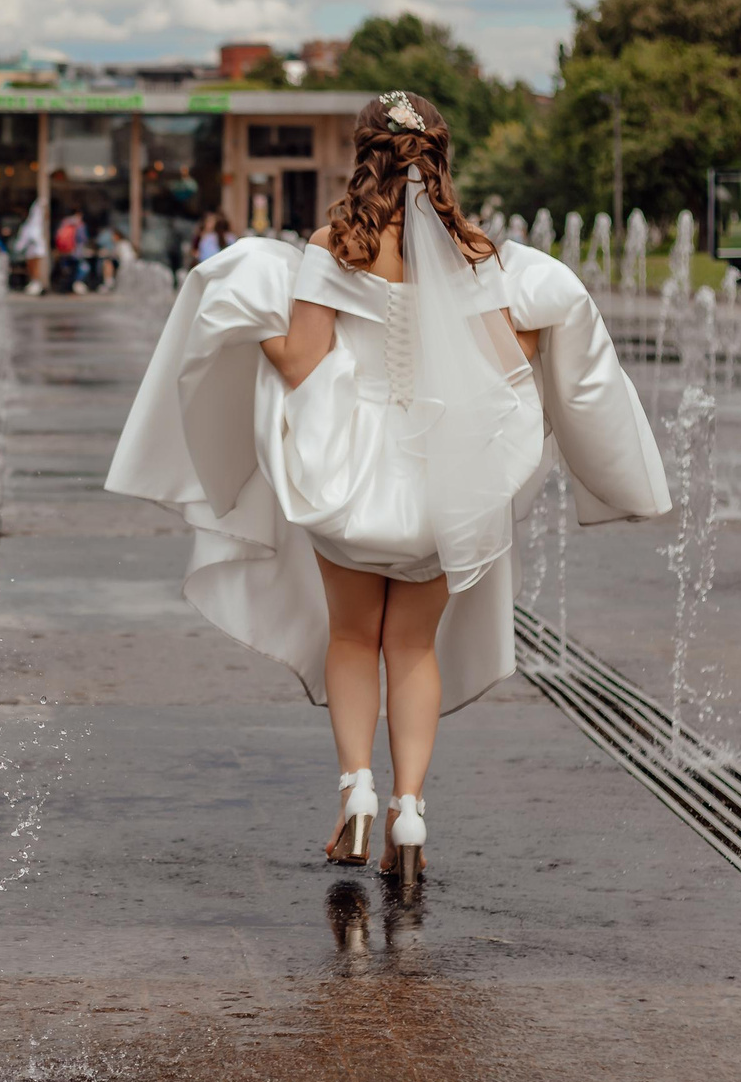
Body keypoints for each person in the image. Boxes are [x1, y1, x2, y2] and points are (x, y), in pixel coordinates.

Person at [105, 92, 669, 883]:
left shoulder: (334, 243)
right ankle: (410, 807)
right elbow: (506, 361)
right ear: (440, 158)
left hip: (353, 476)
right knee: (411, 645)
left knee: (349, 639)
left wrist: (246, 325)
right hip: (443, 483)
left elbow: (302, 359)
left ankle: (355, 793)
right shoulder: (478, 252)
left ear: (361, 153)